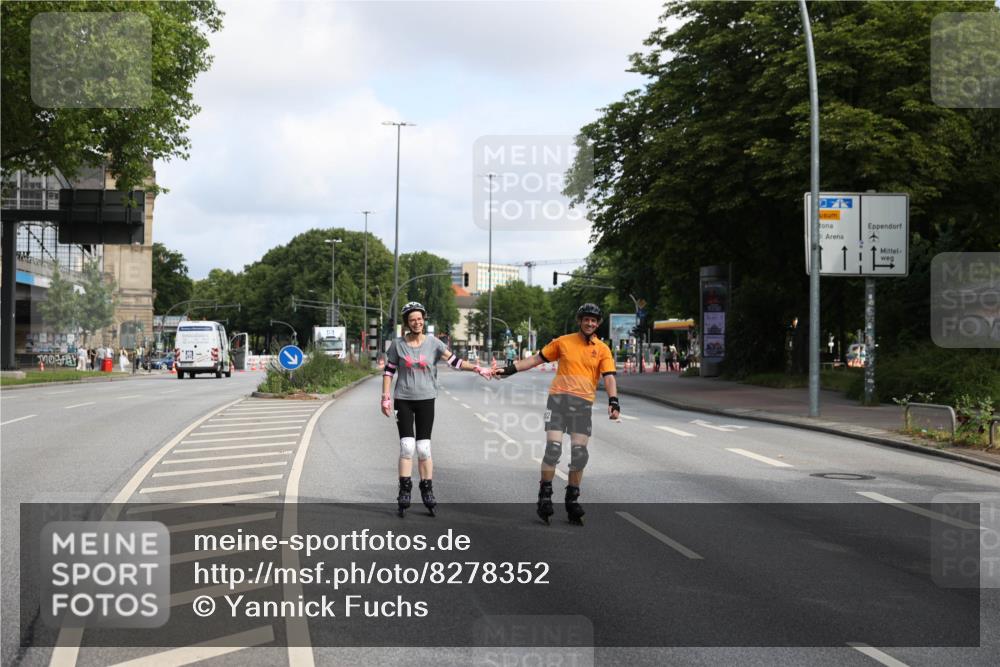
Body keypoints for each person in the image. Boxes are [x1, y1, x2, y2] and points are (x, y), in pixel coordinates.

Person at [494, 303, 619, 525]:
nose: (589, 323)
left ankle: (572, 500)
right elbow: (534, 360)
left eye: (594, 320)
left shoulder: (602, 349)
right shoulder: (563, 342)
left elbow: (609, 376)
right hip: (558, 401)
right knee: (553, 450)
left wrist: (613, 400)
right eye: (586, 319)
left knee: (580, 455)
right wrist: (508, 370)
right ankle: (545, 496)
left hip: (583, 405)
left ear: (598, 324)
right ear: (580, 320)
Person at [382, 301, 493, 517]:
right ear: (407, 323)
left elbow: (456, 362)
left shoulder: (433, 343)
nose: (417, 322)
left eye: (420, 319)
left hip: (426, 399)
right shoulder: (397, 345)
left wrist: (478, 368)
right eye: (412, 319)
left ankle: (427, 490)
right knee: (407, 446)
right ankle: (404, 491)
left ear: (424, 320)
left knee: (423, 448)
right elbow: (389, 371)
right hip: (403, 399)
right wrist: (385, 397)